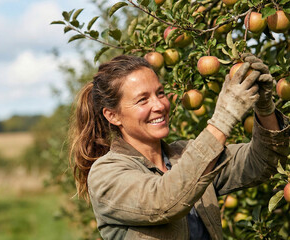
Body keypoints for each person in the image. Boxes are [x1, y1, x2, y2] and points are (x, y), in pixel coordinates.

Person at [69, 54, 289, 240]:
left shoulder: (184, 154)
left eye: (160, 93)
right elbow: (163, 202)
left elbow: (262, 162)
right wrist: (224, 117)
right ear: (113, 115)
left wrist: (264, 106)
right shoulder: (106, 174)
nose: (159, 105)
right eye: (142, 100)